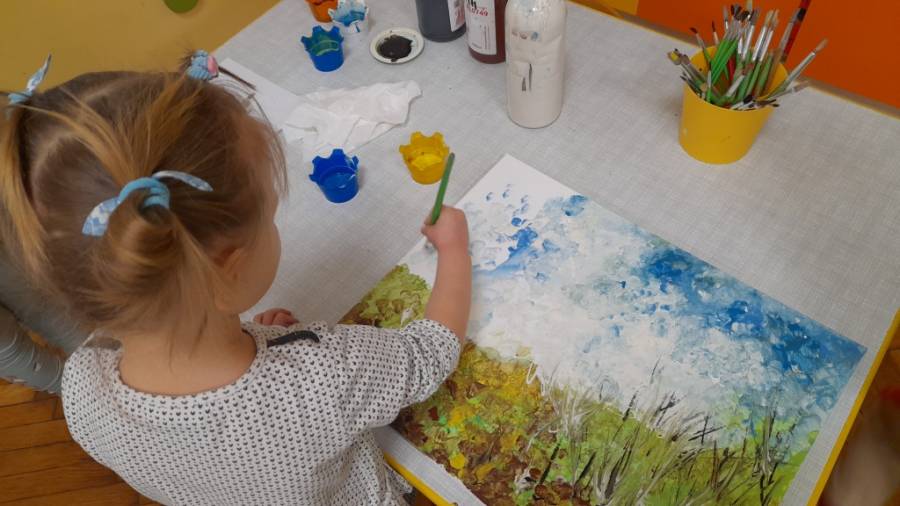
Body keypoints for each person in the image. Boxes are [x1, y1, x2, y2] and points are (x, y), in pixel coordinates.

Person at [0, 52, 472, 505]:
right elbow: (427, 355)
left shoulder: (80, 386)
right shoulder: (324, 377)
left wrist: (261, 341)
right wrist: (453, 251)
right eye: (269, 217)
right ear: (228, 268)